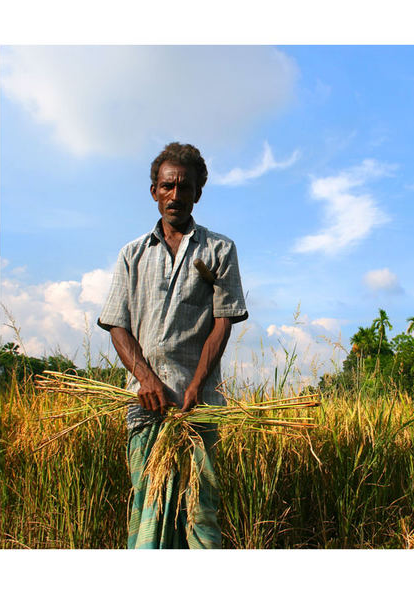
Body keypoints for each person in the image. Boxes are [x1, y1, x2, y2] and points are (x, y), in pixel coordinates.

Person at [97, 142, 248, 548]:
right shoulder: (132, 254)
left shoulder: (219, 250)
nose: (175, 196)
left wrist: (197, 385)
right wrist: (146, 380)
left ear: (198, 192)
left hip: (197, 409)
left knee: (200, 516)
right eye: (167, 187)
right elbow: (117, 324)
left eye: (185, 187)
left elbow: (223, 322)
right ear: (154, 192)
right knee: (149, 513)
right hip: (146, 406)